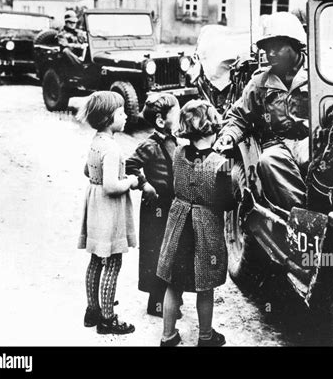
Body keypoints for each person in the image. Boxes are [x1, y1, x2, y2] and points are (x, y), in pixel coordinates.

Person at [156, 100, 234, 347]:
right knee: (205, 285)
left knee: (173, 284)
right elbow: (228, 202)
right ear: (212, 128)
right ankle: (206, 336)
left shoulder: (178, 153)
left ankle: (167, 336)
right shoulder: (221, 164)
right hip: (204, 231)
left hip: (179, 228)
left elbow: (174, 184)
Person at [214, 12, 309, 211]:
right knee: (269, 161)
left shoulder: (317, 74)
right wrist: (229, 136)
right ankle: (300, 214)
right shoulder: (260, 83)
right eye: (267, 49)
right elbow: (239, 116)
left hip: (312, 139)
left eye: (277, 47)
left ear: (295, 45)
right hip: (278, 144)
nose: (270, 54)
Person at [77, 91, 138, 335]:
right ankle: (108, 318)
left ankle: (92, 310)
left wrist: (100, 178)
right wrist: (131, 181)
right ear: (107, 118)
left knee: (95, 259)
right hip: (109, 211)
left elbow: (86, 170)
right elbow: (112, 187)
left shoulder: (96, 142)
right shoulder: (111, 148)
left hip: (95, 207)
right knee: (113, 260)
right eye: (121, 113)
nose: (125, 116)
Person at [125, 93, 182, 318]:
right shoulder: (149, 145)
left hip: (172, 205)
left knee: (171, 250)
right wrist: (145, 184)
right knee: (156, 251)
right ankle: (156, 302)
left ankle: (169, 298)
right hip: (155, 207)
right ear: (160, 121)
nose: (178, 118)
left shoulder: (175, 140)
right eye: (175, 115)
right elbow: (130, 165)